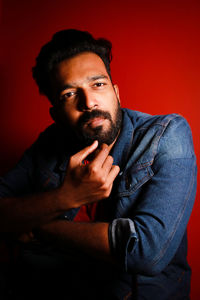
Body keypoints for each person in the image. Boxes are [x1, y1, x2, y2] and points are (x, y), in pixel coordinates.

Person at [0, 29, 197, 300]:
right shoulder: (49, 143)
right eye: (69, 94)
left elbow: (148, 253)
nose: (89, 102)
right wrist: (66, 198)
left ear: (116, 92)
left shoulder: (166, 135)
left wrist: (40, 228)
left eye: (98, 85)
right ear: (55, 114)